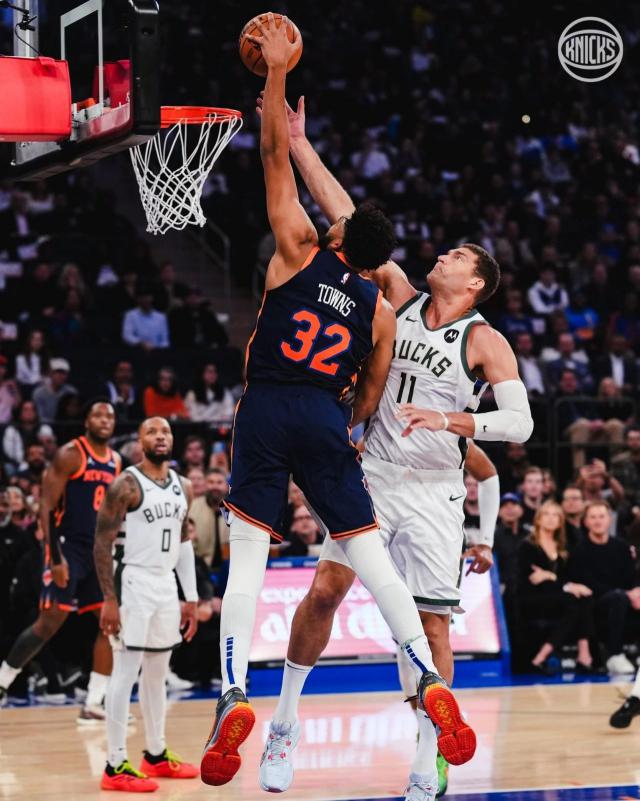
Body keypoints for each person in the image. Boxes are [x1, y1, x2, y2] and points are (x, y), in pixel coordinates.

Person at [202, 16, 470, 790]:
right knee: (370, 555)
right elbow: (371, 395)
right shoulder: (382, 308)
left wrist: (275, 76)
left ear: (338, 233)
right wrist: (341, 423)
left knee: (249, 558)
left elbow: (271, 158)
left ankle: (233, 691)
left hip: (266, 408)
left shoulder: (296, 246)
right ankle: (426, 674)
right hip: (327, 415)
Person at [256, 78, 531, 801]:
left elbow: (521, 423)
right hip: (373, 473)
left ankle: (427, 758)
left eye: (457, 255)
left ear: (475, 283)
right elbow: (348, 220)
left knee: (434, 627)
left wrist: (454, 421)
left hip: (436, 491)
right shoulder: (398, 297)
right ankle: (284, 723)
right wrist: (301, 146)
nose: (443, 255)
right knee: (324, 590)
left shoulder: (485, 341)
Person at [93, 417, 199, 791]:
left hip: (165, 583)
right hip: (132, 581)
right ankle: (114, 763)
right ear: (140, 441)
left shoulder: (184, 486)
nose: (160, 436)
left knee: (157, 671)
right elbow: (102, 543)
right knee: (125, 671)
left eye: (165, 431)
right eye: (152, 432)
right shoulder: (126, 484)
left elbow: (184, 541)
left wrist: (191, 596)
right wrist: (109, 598)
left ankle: (155, 754)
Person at [0, 401, 119, 722]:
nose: (104, 420)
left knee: (110, 625)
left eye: (109, 416)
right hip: (67, 547)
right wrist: (54, 557)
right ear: (86, 421)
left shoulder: (116, 460)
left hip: (97, 551)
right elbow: (46, 505)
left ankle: (93, 702)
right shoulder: (71, 454)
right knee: (49, 621)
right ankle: (3, 681)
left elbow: (110, 510)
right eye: (98, 415)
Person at [517, 501, 594, 675]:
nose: (551, 519)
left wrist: (551, 577)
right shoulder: (528, 546)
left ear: (560, 522)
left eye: (555, 515)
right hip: (531, 597)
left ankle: (583, 653)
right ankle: (542, 657)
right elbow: (533, 579)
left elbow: (566, 577)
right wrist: (562, 583)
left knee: (584, 598)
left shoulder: (563, 548)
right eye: (546, 514)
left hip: (556, 595)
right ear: (538, 519)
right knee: (573, 601)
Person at [567, 501, 640, 676]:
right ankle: (614, 655)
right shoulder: (579, 550)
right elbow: (587, 583)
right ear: (586, 522)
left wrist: (636, 589)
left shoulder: (621, 547)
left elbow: (632, 575)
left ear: (609, 520)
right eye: (593, 517)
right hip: (595, 604)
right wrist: (627, 593)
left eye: (602, 516)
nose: (598, 521)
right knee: (618, 597)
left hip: (624, 599)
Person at [190, 468, 230, 569]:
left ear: (226, 487)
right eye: (211, 482)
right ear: (204, 485)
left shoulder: (235, 510)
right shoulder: (192, 508)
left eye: (219, 482)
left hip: (230, 568)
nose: (215, 486)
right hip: (199, 568)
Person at [32, 358, 78, 423]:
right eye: (58, 372)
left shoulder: (71, 392)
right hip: (45, 425)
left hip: (66, 425)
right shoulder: (39, 393)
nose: (61, 376)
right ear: (50, 373)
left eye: (64, 373)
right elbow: (39, 416)